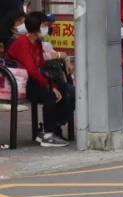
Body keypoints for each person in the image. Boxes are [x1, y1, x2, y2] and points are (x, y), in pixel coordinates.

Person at [7, 11, 74, 146]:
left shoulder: (37, 42)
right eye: (44, 25)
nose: (46, 27)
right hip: (21, 83)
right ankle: (48, 135)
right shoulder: (22, 43)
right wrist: (49, 86)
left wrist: (53, 85)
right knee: (50, 95)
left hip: (36, 80)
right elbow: (32, 69)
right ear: (36, 27)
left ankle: (53, 127)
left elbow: (42, 65)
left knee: (70, 92)